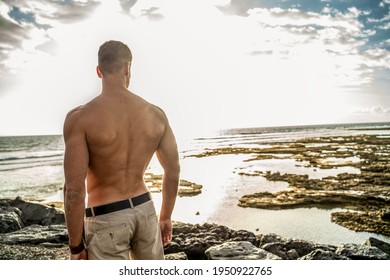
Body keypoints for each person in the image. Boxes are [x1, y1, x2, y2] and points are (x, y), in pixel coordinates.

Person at [63, 40, 180, 260]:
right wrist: (165, 217)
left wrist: (76, 246)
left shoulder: (80, 118)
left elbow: (74, 190)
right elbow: (173, 171)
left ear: (99, 71)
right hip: (145, 210)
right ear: (128, 68)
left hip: (107, 217)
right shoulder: (156, 115)